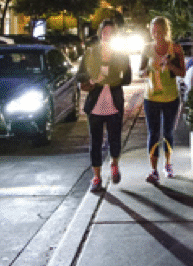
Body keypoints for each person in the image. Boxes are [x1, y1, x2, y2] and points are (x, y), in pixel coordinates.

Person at [76, 20, 133, 192]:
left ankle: (114, 165)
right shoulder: (91, 53)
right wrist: (93, 78)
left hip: (114, 102)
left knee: (115, 138)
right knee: (96, 141)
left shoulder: (121, 53)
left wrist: (112, 78)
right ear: (100, 33)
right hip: (95, 103)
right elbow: (79, 75)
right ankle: (96, 177)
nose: (107, 35)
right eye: (105, 32)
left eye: (111, 33)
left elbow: (127, 79)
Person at [140, 16, 185, 184]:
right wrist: (145, 72)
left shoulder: (175, 49)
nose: (156, 34)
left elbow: (182, 72)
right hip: (151, 97)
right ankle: (153, 170)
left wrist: (170, 65)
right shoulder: (147, 48)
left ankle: (168, 165)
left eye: (159, 31)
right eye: (153, 31)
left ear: (166, 31)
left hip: (171, 97)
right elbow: (140, 70)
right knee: (153, 133)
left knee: (168, 132)